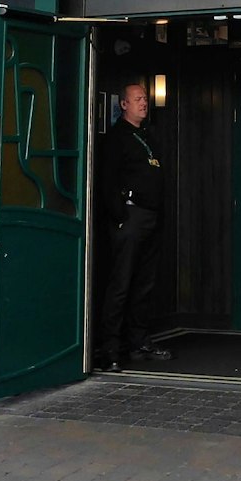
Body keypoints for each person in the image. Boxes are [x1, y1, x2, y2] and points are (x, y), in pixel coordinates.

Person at [96, 82, 173, 372]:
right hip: (129, 218)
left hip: (152, 218)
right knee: (121, 284)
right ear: (124, 104)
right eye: (138, 99)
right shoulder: (116, 138)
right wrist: (120, 216)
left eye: (145, 99)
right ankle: (111, 349)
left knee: (144, 283)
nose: (144, 103)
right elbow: (107, 180)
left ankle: (139, 341)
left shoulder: (149, 136)